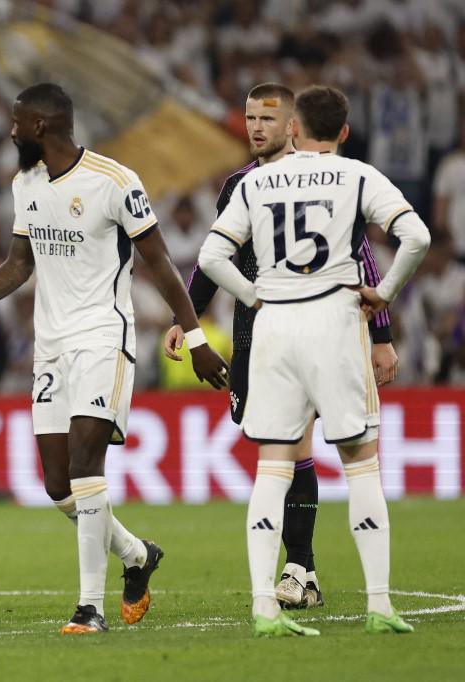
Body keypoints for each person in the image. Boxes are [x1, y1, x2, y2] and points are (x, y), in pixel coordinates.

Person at [0, 83, 229, 635]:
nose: (11, 132)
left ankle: (89, 608)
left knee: (84, 463)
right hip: (50, 346)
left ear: (42, 127)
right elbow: (20, 263)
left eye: (18, 123)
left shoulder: (115, 183)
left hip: (103, 337)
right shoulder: (26, 183)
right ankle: (137, 554)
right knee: (56, 484)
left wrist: (195, 339)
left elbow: (161, 264)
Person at [198, 85, 429, 637]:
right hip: (334, 321)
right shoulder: (356, 176)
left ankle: (263, 605)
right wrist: (385, 294)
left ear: (294, 129)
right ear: (345, 132)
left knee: (272, 467)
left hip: (275, 326)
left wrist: (256, 297)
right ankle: (378, 604)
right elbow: (414, 236)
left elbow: (210, 257)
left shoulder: (255, 182)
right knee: (360, 461)